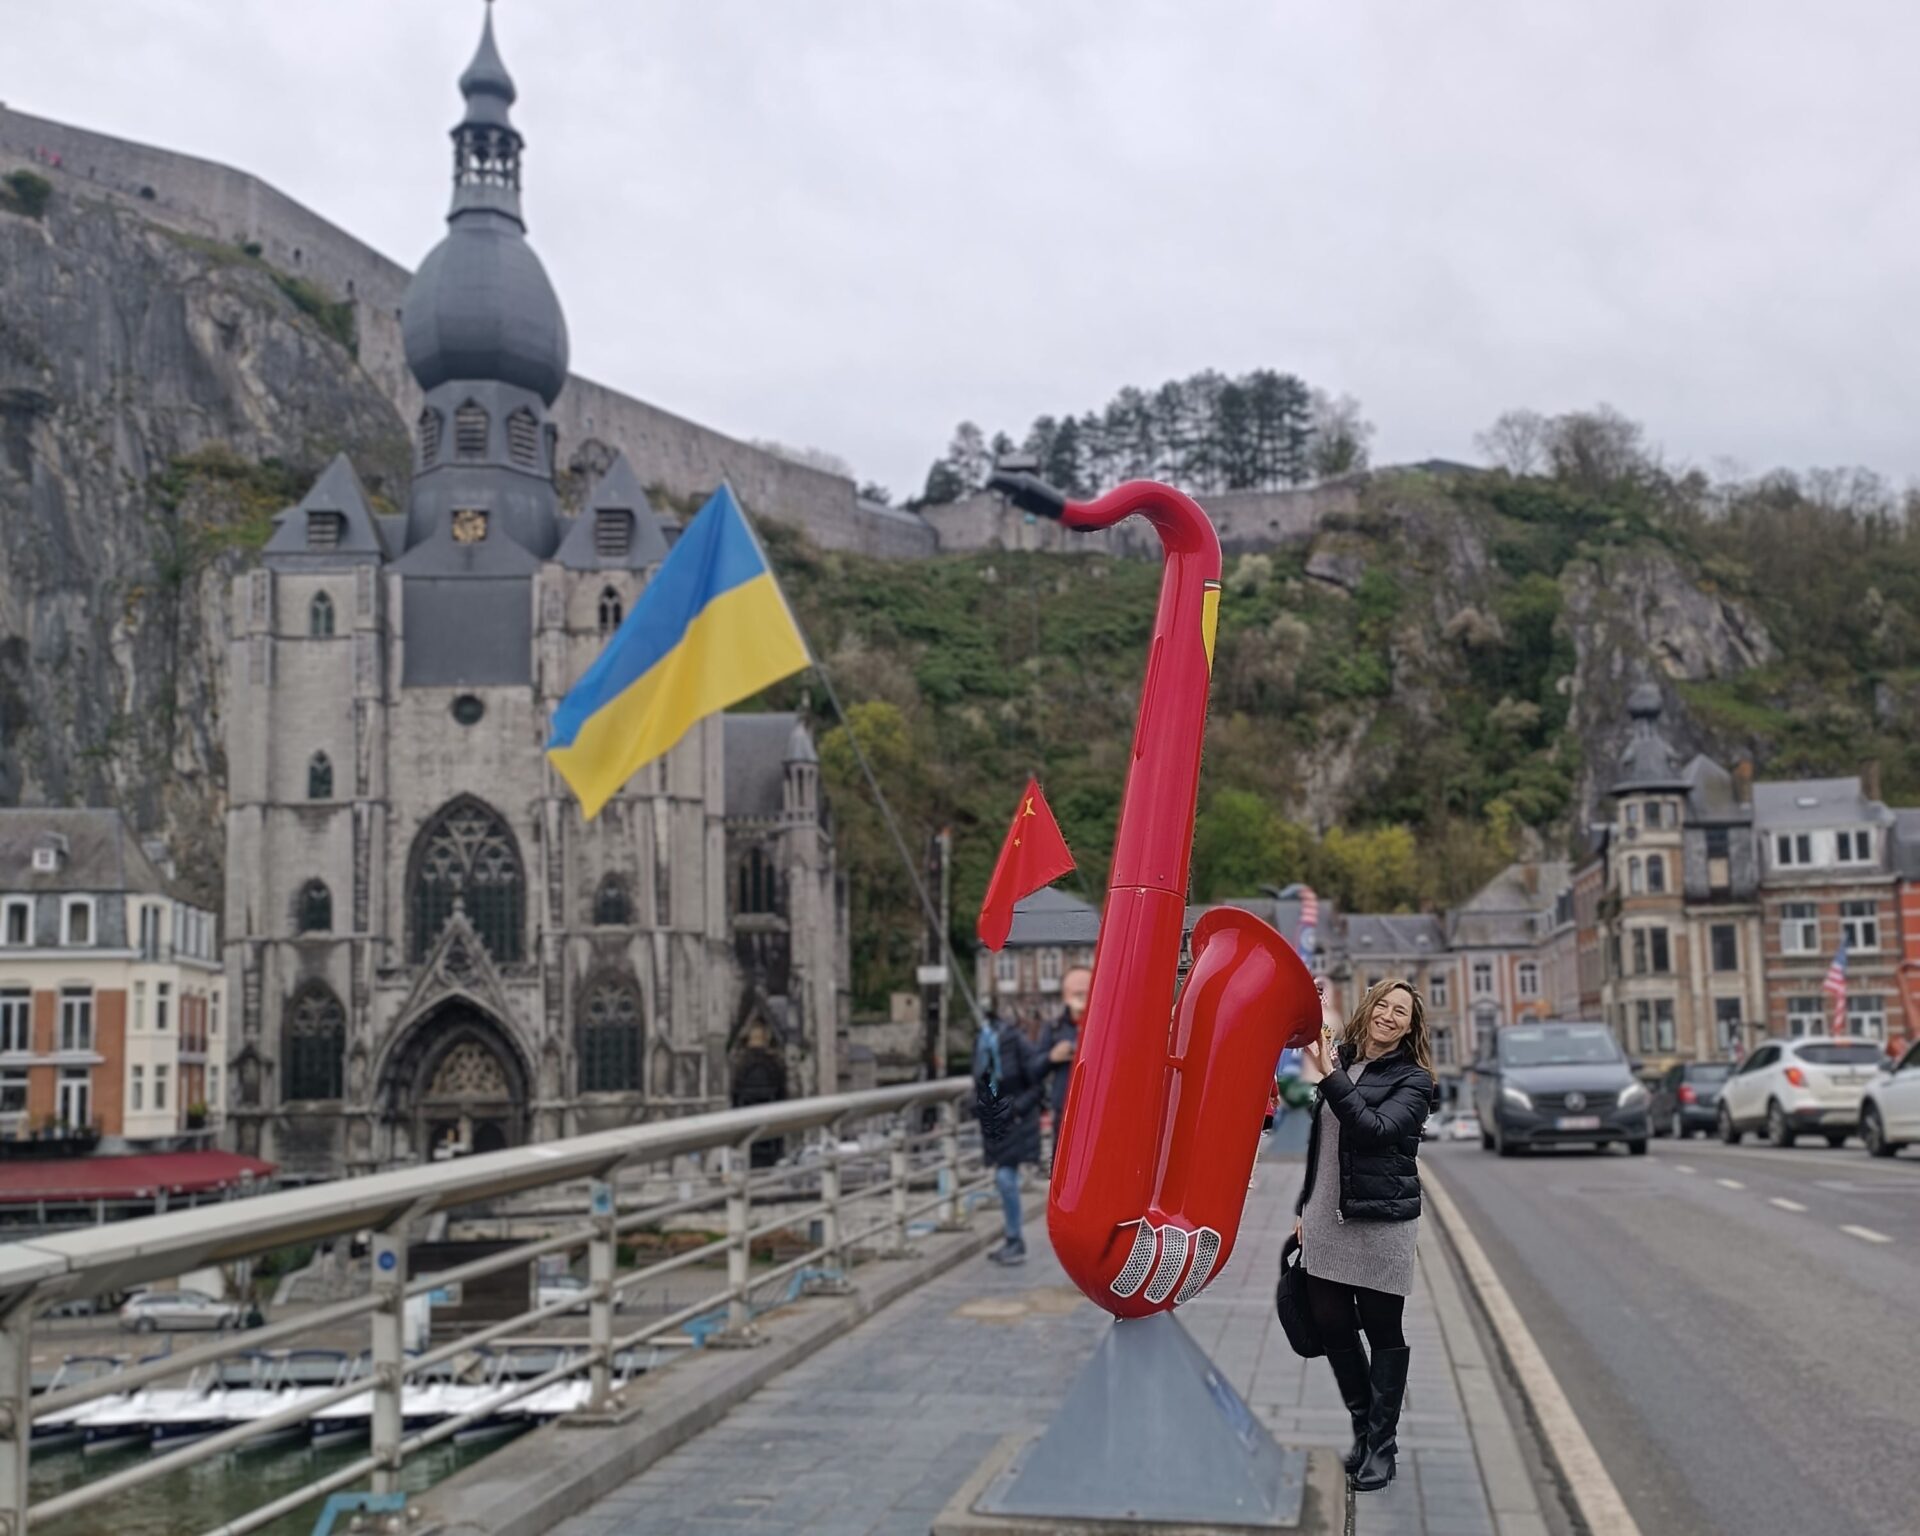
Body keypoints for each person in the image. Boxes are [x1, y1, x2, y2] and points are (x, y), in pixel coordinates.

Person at [1293, 977, 1437, 1492]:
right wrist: (1303, 1208)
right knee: (1332, 1325)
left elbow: (1373, 1130)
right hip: (1327, 1218)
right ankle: (1363, 1428)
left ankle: (1382, 1447)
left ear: (1411, 1027)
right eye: (1384, 1004)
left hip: (1381, 1223)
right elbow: (1322, 1142)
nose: (1390, 1015)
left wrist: (1330, 1075)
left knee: (1383, 1333)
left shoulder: (1415, 1080)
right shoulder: (1345, 1058)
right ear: (1369, 1007)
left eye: (1402, 1012)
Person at [975, 1007, 1070, 1266]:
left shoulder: (1015, 1044)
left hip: (1015, 1122)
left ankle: (1015, 1240)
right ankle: (1013, 1238)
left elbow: (1036, 1083)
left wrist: (1014, 1110)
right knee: (1003, 1177)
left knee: (1005, 1178)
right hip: (998, 1122)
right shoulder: (985, 1048)